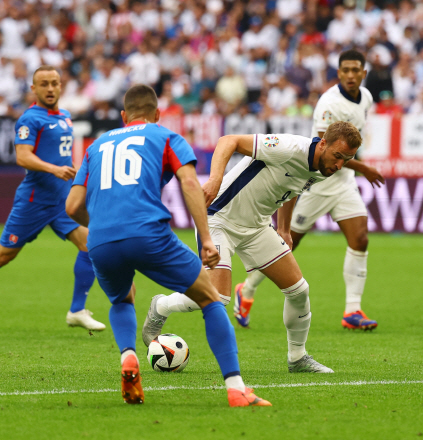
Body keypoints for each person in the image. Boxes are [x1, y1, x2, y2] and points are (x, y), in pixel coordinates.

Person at [65, 84, 270, 407]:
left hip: (101, 239)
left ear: (123, 116)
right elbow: (190, 183)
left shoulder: (96, 146)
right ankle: (236, 389)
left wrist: (105, 226)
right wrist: (206, 238)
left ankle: (129, 356)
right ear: (158, 114)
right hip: (148, 233)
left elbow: (72, 206)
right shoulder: (164, 137)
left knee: (122, 299)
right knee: (210, 298)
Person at [142, 121, 362, 373]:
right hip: (220, 218)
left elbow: (292, 187)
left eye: (347, 159)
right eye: (338, 156)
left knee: (299, 290)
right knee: (219, 296)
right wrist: (215, 180)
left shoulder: (323, 167)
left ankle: (298, 358)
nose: (339, 165)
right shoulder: (288, 147)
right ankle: (162, 305)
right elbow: (228, 141)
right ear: (323, 143)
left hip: (256, 227)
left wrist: (284, 228)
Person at [233, 49, 384, 331]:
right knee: (287, 244)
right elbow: (324, 151)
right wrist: (365, 168)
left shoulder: (366, 98)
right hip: (316, 182)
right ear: (338, 73)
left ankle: (352, 310)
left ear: (364, 73)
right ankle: (247, 288)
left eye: (356, 70)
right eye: (345, 70)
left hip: (343, 183)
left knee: (360, 238)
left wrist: (357, 170)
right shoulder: (328, 103)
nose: (351, 75)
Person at [0, 65, 104, 331]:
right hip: (34, 200)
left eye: (55, 83)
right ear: (34, 88)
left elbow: (61, 155)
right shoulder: (29, 119)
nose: (51, 88)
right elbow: (23, 156)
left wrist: (73, 170)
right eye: (44, 84)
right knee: (4, 254)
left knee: (90, 245)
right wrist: (54, 169)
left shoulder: (65, 116)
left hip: (61, 200)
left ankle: (77, 310)